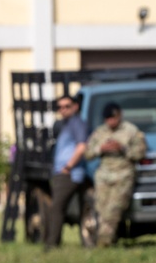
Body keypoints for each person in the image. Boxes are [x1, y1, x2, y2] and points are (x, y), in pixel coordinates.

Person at [84, 103, 147, 247]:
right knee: (101, 208)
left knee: (114, 209)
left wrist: (122, 148)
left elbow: (140, 152)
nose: (111, 121)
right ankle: (107, 240)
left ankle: (103, 242)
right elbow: (87, 153)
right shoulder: (99, 132)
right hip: (104, 175)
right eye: (108, 119)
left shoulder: (131, 131)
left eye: (113, 118)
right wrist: (101, 149)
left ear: (119, 116)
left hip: (123, 174)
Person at [44, 94, 89, 249]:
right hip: (63, 172)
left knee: (57, 208)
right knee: (59, 207)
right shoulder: (64, 124)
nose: (62, 110)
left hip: (70, 173)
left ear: (75, 107)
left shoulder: (77, 123)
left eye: (67, 106)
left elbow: (82, 146)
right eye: (59, 107)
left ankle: (52, 244)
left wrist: (68, 167)